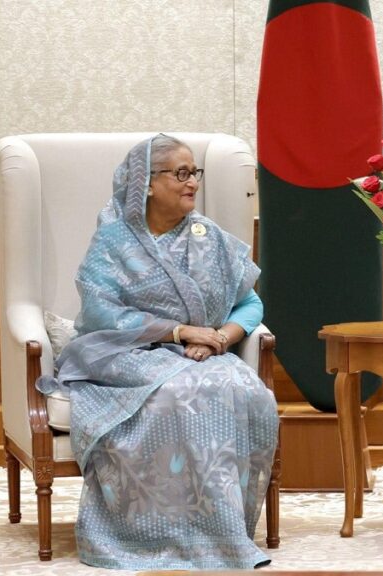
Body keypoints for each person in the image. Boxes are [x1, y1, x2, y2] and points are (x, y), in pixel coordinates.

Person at [38, 134, 279, 570]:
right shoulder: (114, 241)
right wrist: (180, 331)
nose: (192, 183)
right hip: (124, 352)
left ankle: (220, 531)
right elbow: (101, 312)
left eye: (195, 173)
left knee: (241, 389)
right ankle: (149, 532)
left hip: (203, 352)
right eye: (181, 173)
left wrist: (219, 338)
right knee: (176, 393)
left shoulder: (209, 238)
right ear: (146, 183)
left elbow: (249, 303)